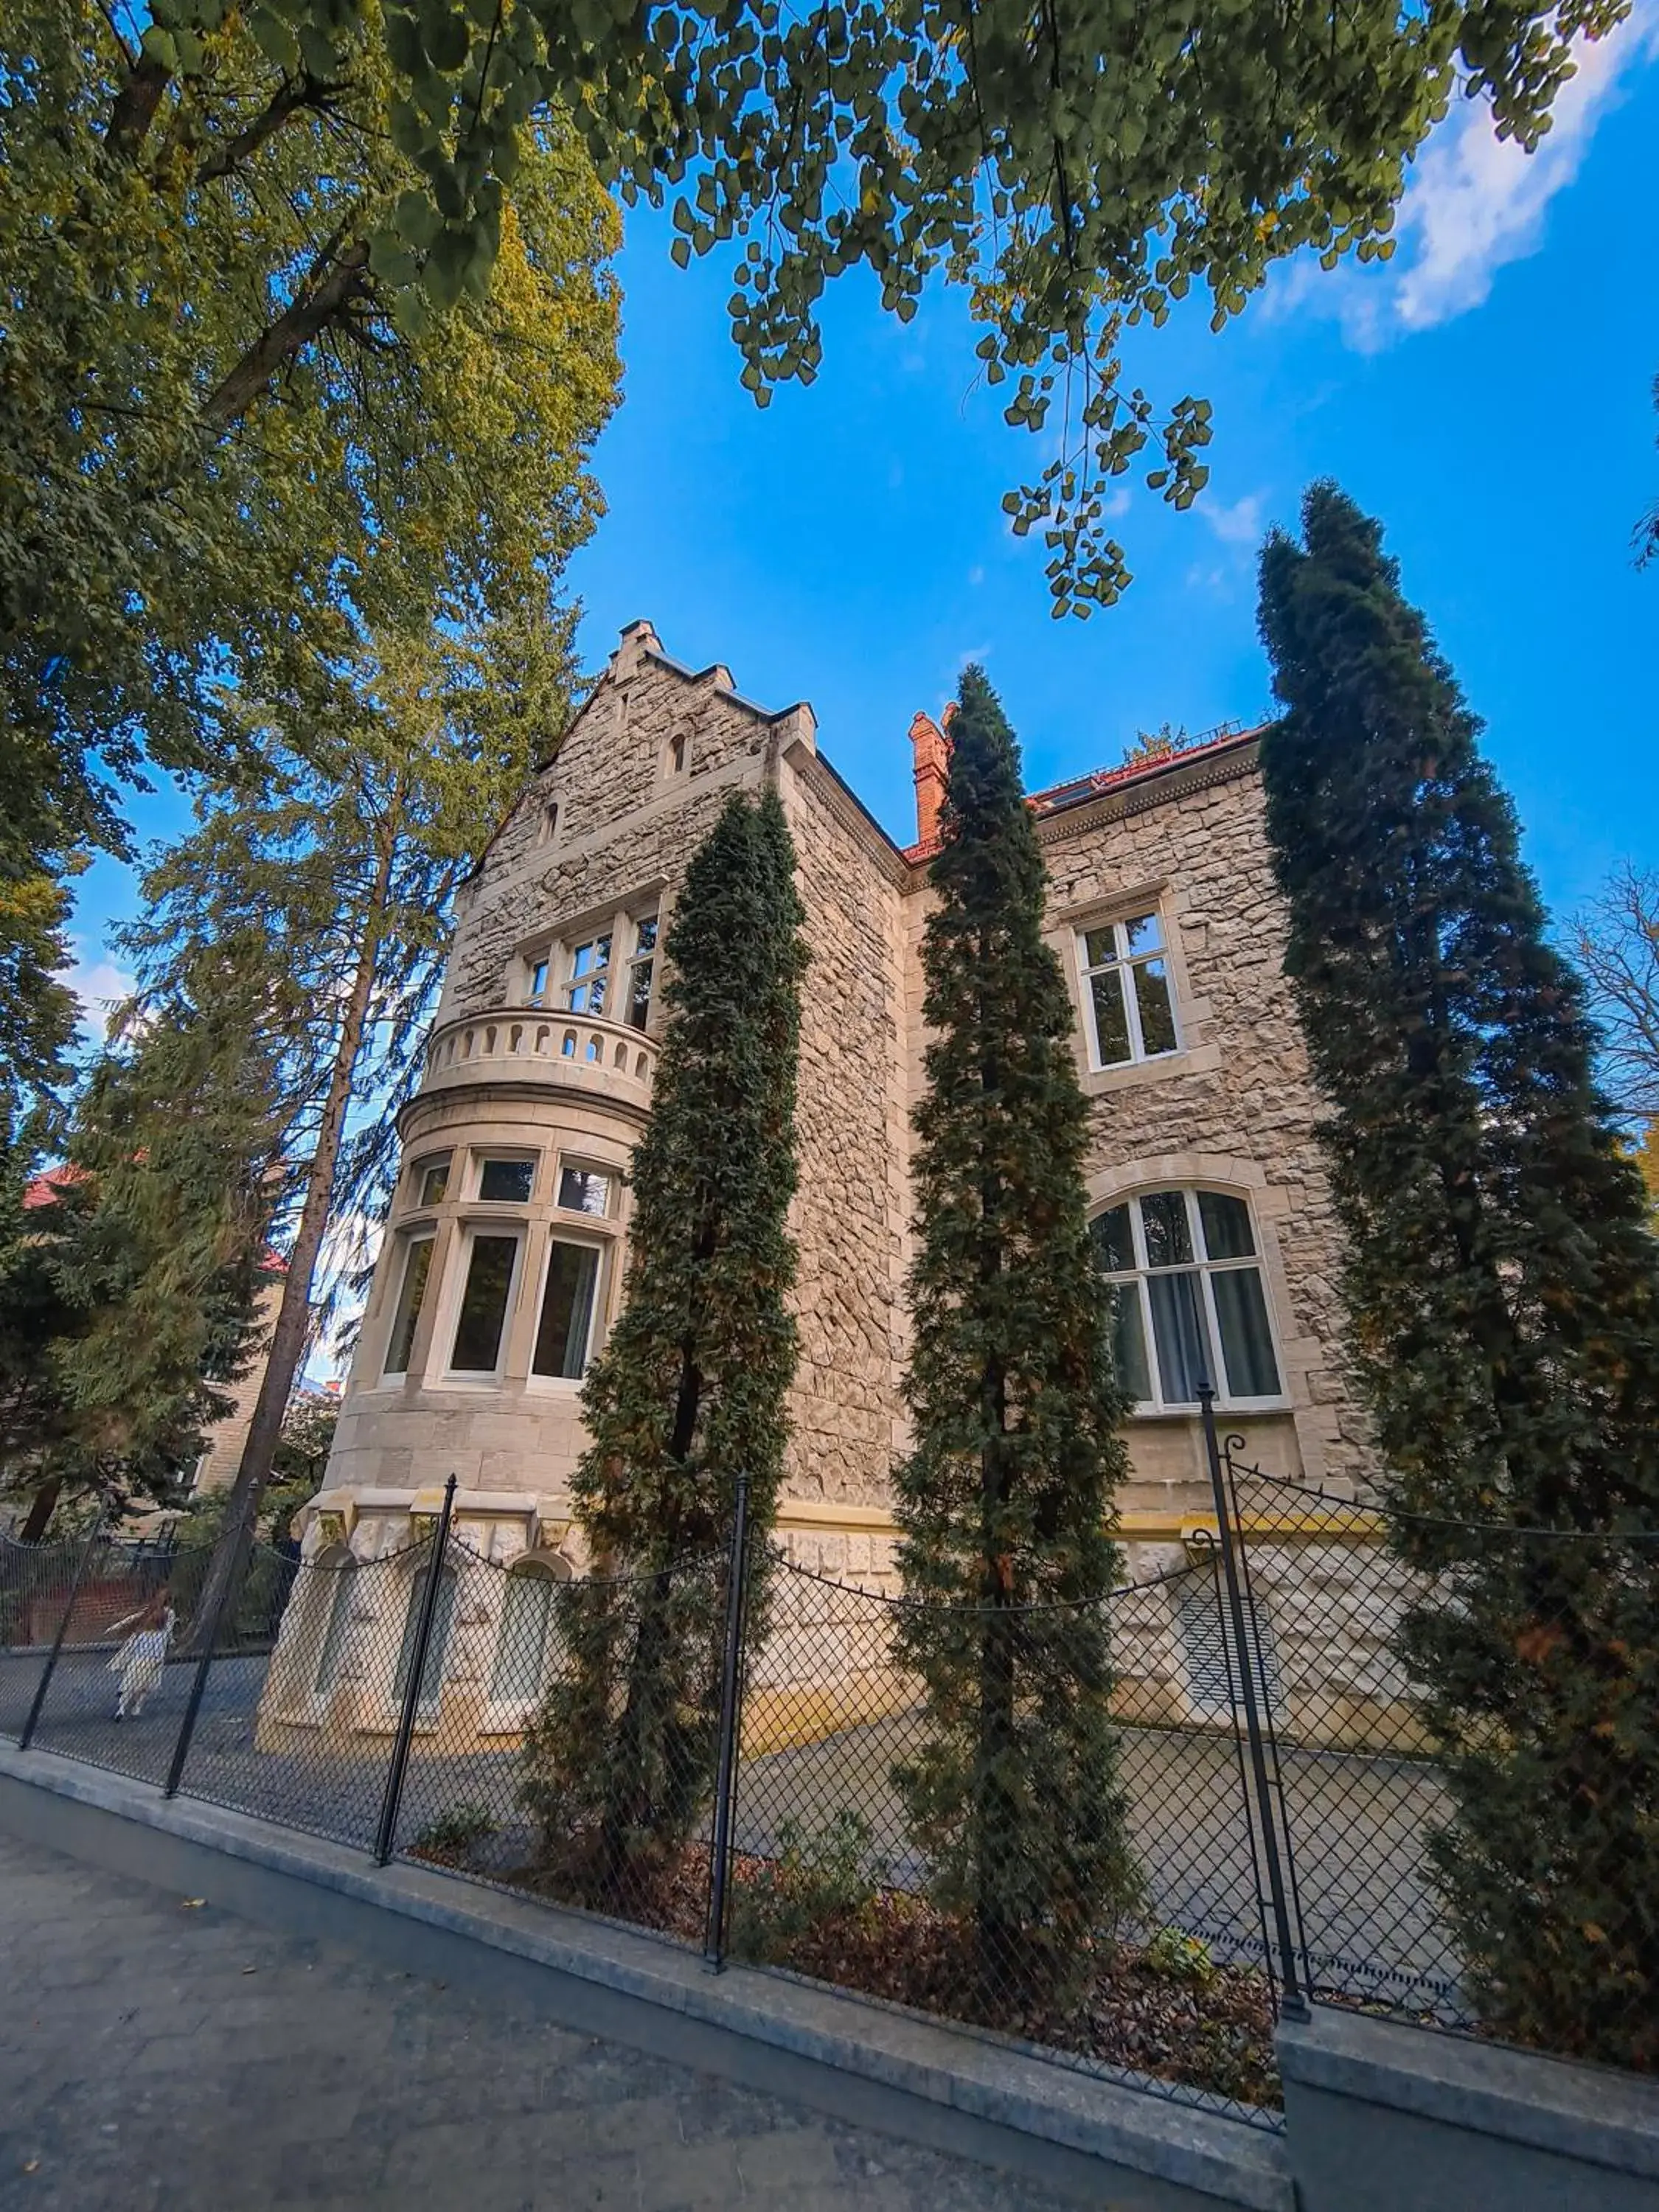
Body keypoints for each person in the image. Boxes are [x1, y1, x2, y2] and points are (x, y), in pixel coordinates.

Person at [108, 1595, 176, 1720]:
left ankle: (121, 1709)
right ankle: (137, 1707)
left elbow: (134, 1646)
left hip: (139, 1660)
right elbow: (161, 1650)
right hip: (153, 1661)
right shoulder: (163, 1633)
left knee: (129, 1684)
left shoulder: (144, 1632)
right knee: (146, 1685)